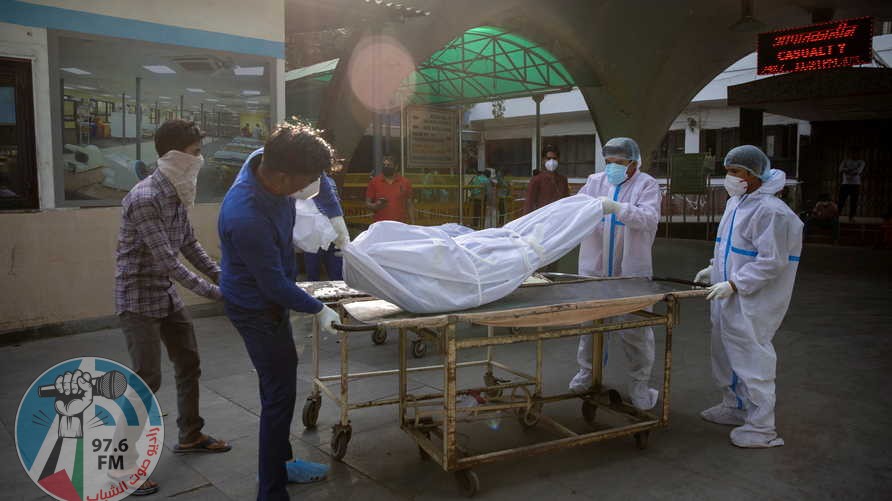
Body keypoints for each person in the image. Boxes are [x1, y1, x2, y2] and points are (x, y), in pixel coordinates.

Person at [218, 124, 341, 500]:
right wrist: (318, 308)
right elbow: (271, 285)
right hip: (256, 308)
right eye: (305, 183)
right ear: (283, 176)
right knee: (278, 397)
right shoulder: (246, 215)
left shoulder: (265, 161)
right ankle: (271, 491)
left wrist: (336, 223)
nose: (310, 191)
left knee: (279, 387)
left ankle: (283, 464)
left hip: (273, 295)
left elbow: (317, 183)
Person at [115, 119, 232, 496]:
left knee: (189, 363)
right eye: (197, 153)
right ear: (176, 155)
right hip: (137, 299)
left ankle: (190, 434)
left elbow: (189, 246)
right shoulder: (145, 198)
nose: (201, 160)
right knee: (146, 379)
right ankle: (122, 465)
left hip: (164, 294)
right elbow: (168, 260)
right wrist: (218, 295)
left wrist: (224, 279)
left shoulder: (176, 194)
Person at [693, 145, 802, 448]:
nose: (730, 177)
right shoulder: (737, 203)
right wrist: (714, 268)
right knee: (724, 351)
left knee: (751, 358)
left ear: (754, 174)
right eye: (727, 171)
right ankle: (734, 406)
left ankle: (761, 427)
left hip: (751, 299)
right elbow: (730, 248)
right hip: (728, 293)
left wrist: (736, 283)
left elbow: (771, 262)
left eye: (736, 172)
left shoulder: (772, 211)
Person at [568, 137, 662, 411]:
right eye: (609, 162)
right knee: (590, 326)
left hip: (630, 271)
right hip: (595, 269)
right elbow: (575, 210)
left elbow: (648, 219)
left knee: (635, 330)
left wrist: (619, 209)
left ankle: (640, 384)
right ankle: (588, 373)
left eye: (620, 163)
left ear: (634, 162)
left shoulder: (647, 185)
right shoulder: (595, 182)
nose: (613, 168)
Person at [300, 170, 349, 280]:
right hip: (314, 235)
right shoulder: (303, 181)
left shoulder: (329, 181)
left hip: (332, 233)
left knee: (337, 274)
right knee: (313, 273)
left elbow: (334, 204)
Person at [365, 156, 415, 224]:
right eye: (384, 165)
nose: (386, 167)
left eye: (388, 165)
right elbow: (367, 203)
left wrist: (413, 223)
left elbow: (410, 203)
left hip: (400, 225)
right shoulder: (374, 182)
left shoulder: (405, 182)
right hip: (381, 225)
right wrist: (375, 206)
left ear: (396, 167)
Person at [523, 144, 569, 214]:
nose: (552, 161)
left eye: (554, 158)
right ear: (543, 160)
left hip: (559, 218)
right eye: (549, 158)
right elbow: (529, 204)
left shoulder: (563, 180)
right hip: (542, 219)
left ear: (558, 159)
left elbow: (567, 202)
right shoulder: (536, 180)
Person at [837, 150, 865, 222]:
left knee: (854, 202)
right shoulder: (845, 161)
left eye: (856, 153)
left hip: (856, 184)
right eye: (853, 153)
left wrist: (846, 170)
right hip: (845, 184)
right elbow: (840, 170)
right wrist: (852, 170)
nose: (854, 154)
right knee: (841, 201)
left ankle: (851, 217)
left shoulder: (861, 162)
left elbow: (858, 171)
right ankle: (836, 216)